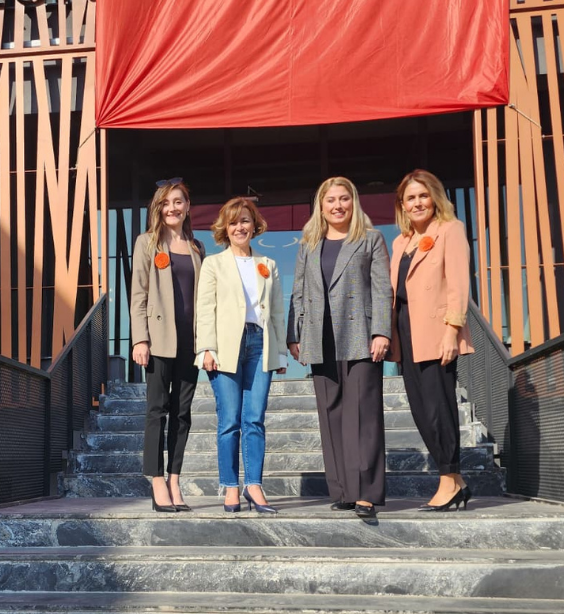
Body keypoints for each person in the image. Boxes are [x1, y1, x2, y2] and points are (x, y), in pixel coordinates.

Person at [287, 177, 393, 520]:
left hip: (361, 336)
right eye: (330, 200)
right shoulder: (309, 244)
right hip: (320, 337)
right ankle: (344, 491)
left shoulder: (371, 239)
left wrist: (382, 332)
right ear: (321, 206)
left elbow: (382, 290)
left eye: (343, 199)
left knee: (362, 415)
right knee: (331, 414)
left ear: (353, 202)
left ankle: (366, 493)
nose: (337, 205)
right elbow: (299, 291)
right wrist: (294, 335)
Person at [389, 169, 474, 511]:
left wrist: (452, 330)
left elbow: (458, 284)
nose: (417, 202)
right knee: (421, 410)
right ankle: (457, 481)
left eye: (423, 195)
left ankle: (448, 479)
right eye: (410, 198)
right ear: (402, 205)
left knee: (439, 408)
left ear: (435, 198)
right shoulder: (400, 241)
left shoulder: (450, 230)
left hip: (437, 331)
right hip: (406, 331)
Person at [195, 197, 287, 514]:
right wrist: (206, 347)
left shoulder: (268, 264)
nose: (239, 227)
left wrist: (280, 351)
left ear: (254, 225)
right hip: (225, 346)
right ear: (225, 227)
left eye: (245, 220)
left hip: (260, 344)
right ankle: (231, 486)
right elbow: (205, 309)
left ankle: (254, 485)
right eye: (233, 222)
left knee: (255, 418)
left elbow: (277, 312)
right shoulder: (213, 264)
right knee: (230, 420)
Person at [130, 178, 205, 512]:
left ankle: (175, 479)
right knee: (157, 410)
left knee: (182, 413)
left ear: (187, 207)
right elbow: (139, 295)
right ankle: (156, 479)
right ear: (158, 208)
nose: (172, 208)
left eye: (178, 202)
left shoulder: (197, 247)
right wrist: (140, 339)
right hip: (159, 339)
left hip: (191, 341)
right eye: (166, 202)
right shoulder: (147, 242)